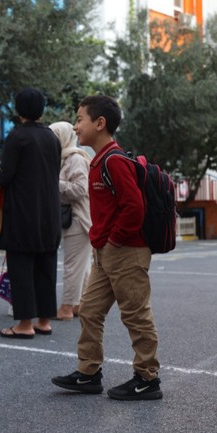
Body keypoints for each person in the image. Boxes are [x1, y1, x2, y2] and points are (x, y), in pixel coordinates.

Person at [51, 95, 162, 400]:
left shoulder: (114, 160)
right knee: (89, 311)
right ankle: (88, 373)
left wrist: (113, 240)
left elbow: (134, 208)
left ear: (100, 123)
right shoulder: (98, 159)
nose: (76, 126)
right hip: (106, 252)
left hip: (125, 250)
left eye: (80, 119)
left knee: (136, 315)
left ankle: (147, 378)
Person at [0, 87, 61, 338]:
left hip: (23, 211)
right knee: (46, 265)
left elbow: (6, 175)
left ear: (19, 109)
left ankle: (24, 324)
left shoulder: (17, 137)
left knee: (21, 266)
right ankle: (44, 320)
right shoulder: (52, 137)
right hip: (49, 211)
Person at [49, 121, 93, 321]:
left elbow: (80, 189)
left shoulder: (74, 158)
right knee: (81, 265)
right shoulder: (62, 158)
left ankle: (67, 308)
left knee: (73, 266)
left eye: (54, 136)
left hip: (78, 218)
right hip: (72, 218)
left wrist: (52, 183)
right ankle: (79, 305)